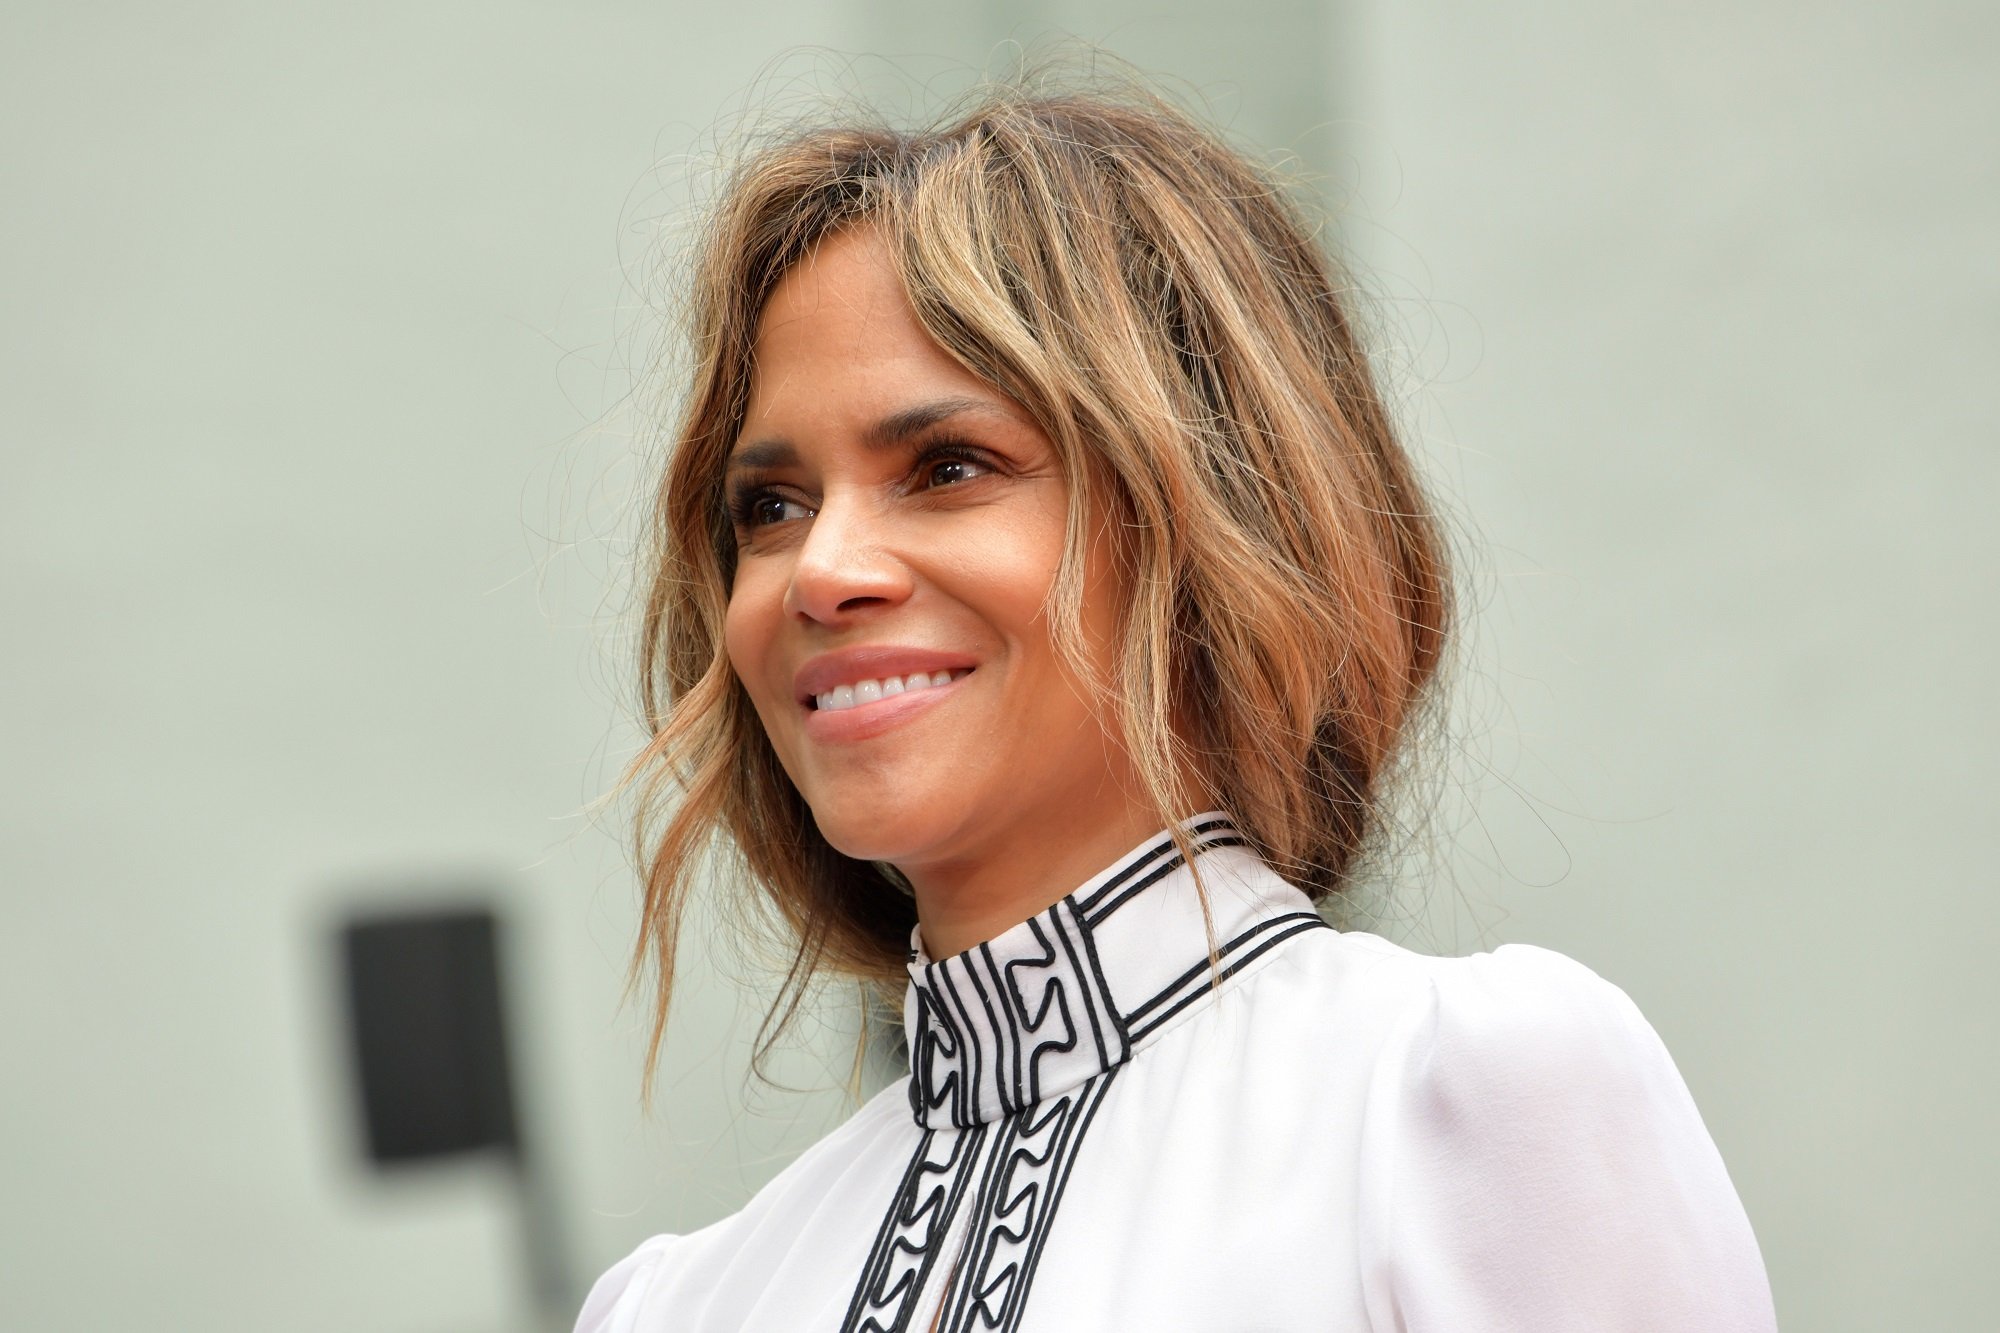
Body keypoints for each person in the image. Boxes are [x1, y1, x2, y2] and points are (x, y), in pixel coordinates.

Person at [578, 77, 1778, 1332]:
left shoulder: (1460, 1105)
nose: (821, 570)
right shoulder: (680, 1303)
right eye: (770, 506)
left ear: (1207, 516)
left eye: (946, 468)